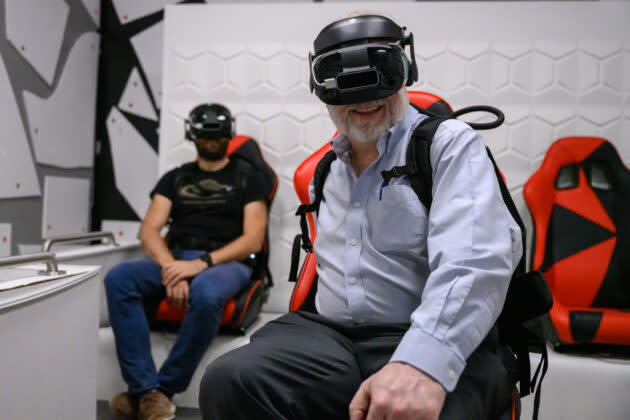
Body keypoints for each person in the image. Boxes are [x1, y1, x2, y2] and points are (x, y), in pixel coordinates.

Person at [199, 13, 522, 420]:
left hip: (417, 330)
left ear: (407, 70)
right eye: (342, 82)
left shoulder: (446, 146)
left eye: (381, 73)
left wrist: (423, 362)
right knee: (229, 380)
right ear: (319, 87)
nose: (364, 98)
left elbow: (474, 260)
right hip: (329, 337)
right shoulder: (325, 171)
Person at [104, 103, 269, 420]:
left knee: (206, 294)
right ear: (192, 135)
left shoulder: (250, 178)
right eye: (204, 133)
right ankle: (144, 390)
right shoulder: (175, 178)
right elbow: (149, 230)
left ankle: (163, 390)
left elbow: (252, 240)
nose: (210, 140)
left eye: (217, 133)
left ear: (228, 134)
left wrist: (201, 265)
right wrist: (172, 270)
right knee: (119, 278)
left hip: (227, 261)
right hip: (177, 258)